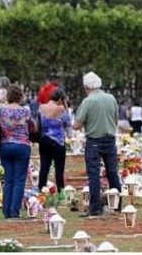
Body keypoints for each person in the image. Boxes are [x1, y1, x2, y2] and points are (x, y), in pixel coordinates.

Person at [73, 72, 121, 217]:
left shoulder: (88, 101)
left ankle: (95, 208)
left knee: (94, 175)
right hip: (110, 140)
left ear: (87, 86)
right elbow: (115, 119)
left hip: (94, 141)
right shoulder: (111, 98)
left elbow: (77, 125)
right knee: (112, 172)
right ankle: (117, 204)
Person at [0, 84, 34, 219]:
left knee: (8, 179)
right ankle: (14, 211)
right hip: (21, 146)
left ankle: (6, 211)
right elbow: (32, 127)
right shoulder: (25, 111)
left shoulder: (2, 111)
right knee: (19, 180)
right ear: (20, 97)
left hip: (6, 145)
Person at [38, 88, 72, 193]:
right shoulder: (61, 109)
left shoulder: (41, 108)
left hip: (44, 140)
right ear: (61, 99)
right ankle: (60, 192)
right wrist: (66, 108)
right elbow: (69, 129)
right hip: (58, 142)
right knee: (59, 169)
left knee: (44, 167)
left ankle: (41, 189)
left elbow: (38, 124)